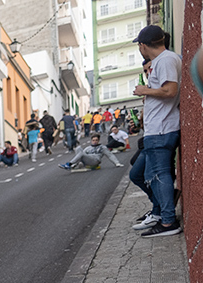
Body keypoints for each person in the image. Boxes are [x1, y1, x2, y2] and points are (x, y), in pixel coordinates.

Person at [132, 24, 182, 238]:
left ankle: (168, 221)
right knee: (146, 175)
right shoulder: (164, 60)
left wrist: (145, 90)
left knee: (159, 176)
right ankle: (161, 211)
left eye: (139, 46)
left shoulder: (167, 59)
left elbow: (170, 90)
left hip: (162, 129)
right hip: (157, 129)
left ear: (143, 46)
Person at [57, 133, 124, 170]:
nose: (95, 142)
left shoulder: (102, 147)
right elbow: (81, 155)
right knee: (78, 148)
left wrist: (117, 163)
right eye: (93, 140)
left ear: (98, 140)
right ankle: (74, 164)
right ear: (91, 140)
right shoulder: (88, 148)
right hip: (88, 160)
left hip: (95, 160)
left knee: (81, 153)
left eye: (96, 140)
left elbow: (110, 155)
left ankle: (69, 164)